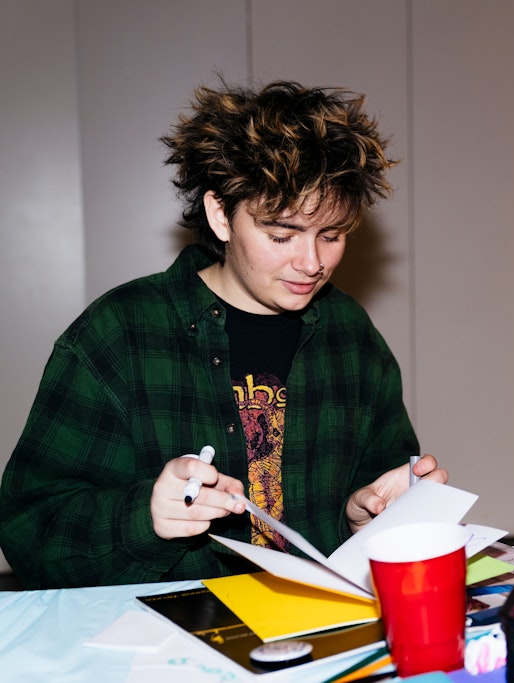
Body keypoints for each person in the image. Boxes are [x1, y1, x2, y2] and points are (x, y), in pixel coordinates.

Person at [0, 79, 446, 589]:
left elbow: (382, 491)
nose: (312, 262)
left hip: (324, 624)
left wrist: (367, 518)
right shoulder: (121, 334)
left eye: (332, 235)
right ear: (220, 214)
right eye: (281, 235)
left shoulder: (350, 335)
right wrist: (146, 516)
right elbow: (28, 528)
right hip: (170, 630)